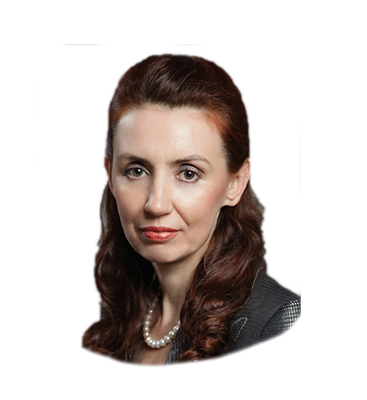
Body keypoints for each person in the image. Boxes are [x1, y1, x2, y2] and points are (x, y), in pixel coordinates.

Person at [80, 52, 301, 368]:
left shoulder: (281, 324)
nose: (156, 204)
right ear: (110, 174)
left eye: (188, 173)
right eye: (136, 170)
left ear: (235, 183)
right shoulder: (115, 325)